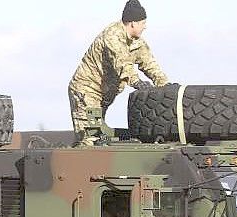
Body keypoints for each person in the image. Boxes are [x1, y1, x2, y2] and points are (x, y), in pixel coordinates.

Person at [68, 0, 169, 146]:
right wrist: (136, 81)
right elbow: (122, 62)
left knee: (99, 136)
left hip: (102, 96)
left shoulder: (136, 42)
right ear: (133, 23)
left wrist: (164, 84)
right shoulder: (112, 36)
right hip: (87, 92)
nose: (145, 26)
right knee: (91, 139)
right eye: (142, 23)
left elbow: (149, 64)